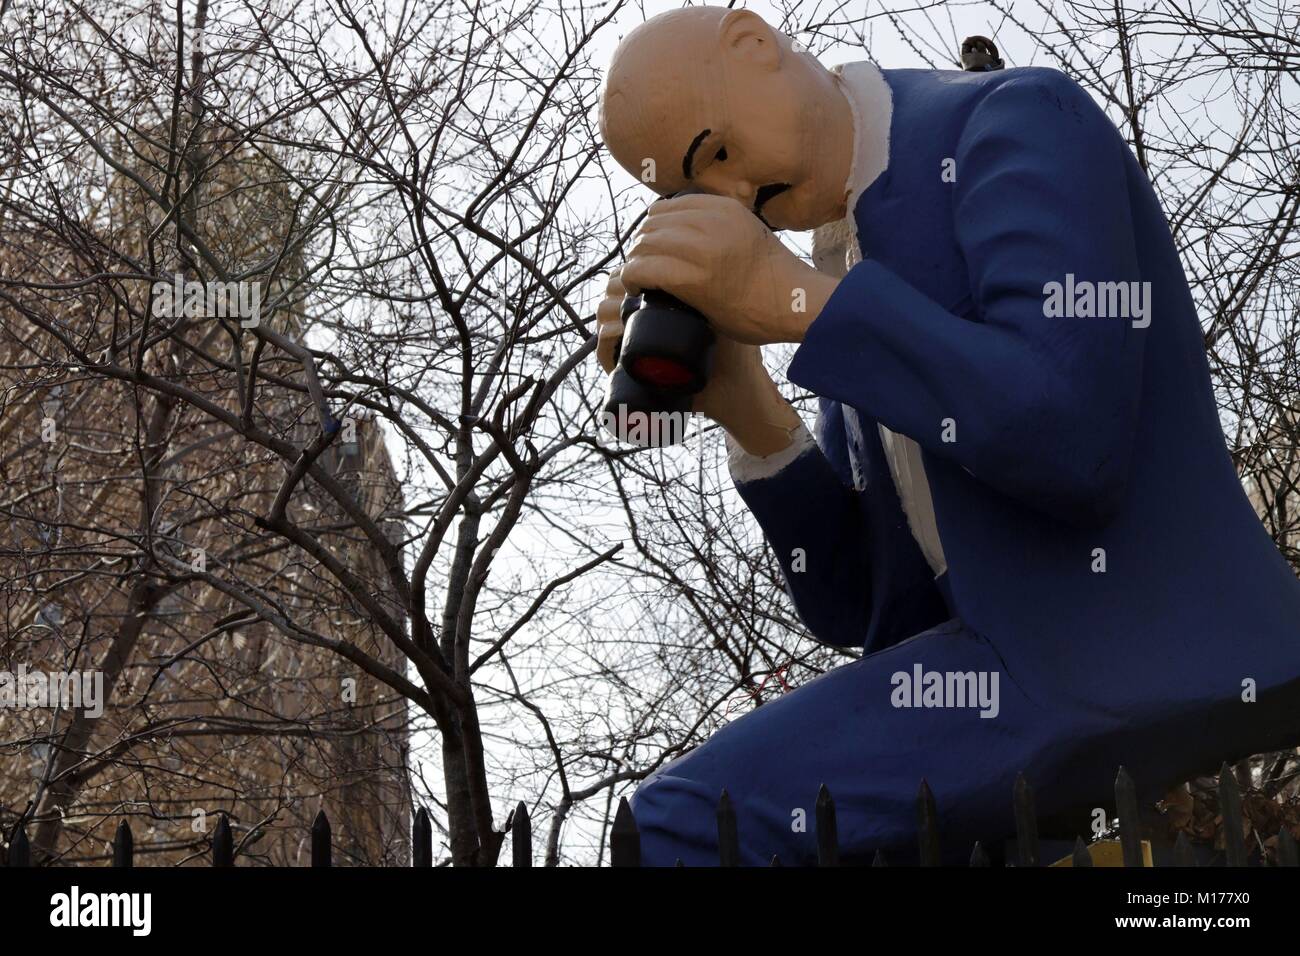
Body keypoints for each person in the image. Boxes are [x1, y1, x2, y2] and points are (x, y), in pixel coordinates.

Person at [595, 5, 1300, 865]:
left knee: (685, 823)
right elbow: (862, 605)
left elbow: (1073, 438)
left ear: (755, 46)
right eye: (697, 193)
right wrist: (747, 404)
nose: (739, 202)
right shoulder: (843, 260)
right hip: (986, 680)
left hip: (1111, 657)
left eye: (721, 156)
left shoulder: (1021, 117)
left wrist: (797, 306)